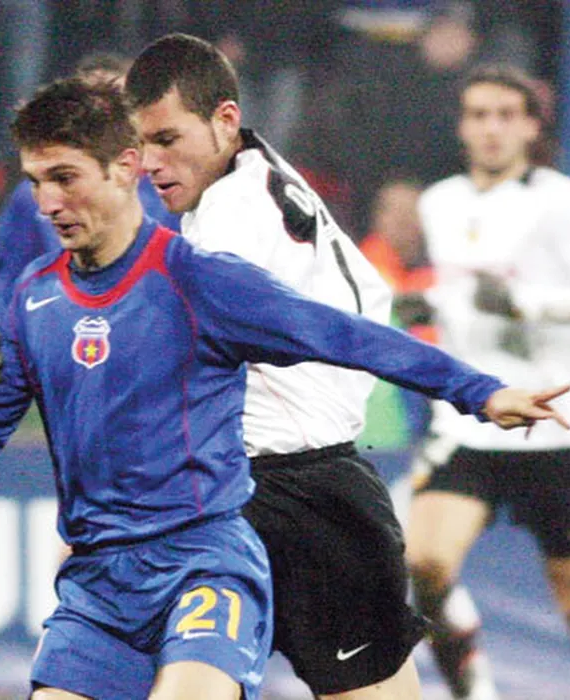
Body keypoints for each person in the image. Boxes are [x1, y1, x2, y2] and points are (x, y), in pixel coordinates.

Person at [0, 78, 570, 700]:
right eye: (35, 182)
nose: (47, 204)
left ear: (124, 169)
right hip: (99, 585)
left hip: (204, 564)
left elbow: (344, 336)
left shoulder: (198, 280)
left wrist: (478, 391)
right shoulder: (33, 299)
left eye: (65, 179)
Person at [124, 32, 419, 698]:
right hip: (282, 487)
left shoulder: (229, 220)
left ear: (224, 119)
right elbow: (369, 293)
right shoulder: (253, 169)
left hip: (300, 496)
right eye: (142, 145)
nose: (151, 164)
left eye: (167, 139)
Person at [403, 65, 570, 700]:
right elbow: (461, 292)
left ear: (533, 127)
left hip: (553, 426)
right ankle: (474, 689)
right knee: (423, 562)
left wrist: (522, 304)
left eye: (507, 115)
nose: (492, 128)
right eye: (479, 115)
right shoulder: (440, 202)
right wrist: (429, 306)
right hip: (470, 422)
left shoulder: (567, 201)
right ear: (462, 126)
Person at [0, 51, 179, 331]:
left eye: (117, 106)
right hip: (57, 337)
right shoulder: (32, 198)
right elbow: (4, 277)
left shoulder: (173, 193)